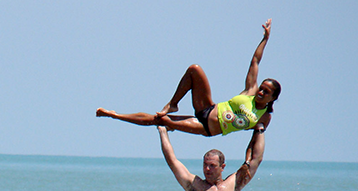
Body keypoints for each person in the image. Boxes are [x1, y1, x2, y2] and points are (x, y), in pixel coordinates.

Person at [97, 19, 280, 137]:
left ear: (273, 98)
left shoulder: (264, 117)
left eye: (267, 91)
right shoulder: (250, 92)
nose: (261, 91)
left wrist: (248, 162)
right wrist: (265, 39)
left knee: (160, 120)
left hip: (207, 128)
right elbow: (255, 61)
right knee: (195, 69)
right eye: (262, 87)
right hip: (207, 108)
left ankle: (114, 115)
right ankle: (173, 104)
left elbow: (257, 142)